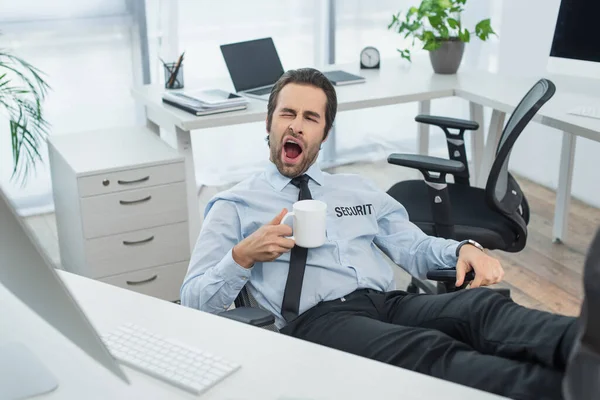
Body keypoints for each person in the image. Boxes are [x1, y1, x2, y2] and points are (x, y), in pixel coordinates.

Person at [181, 68, 599, 400]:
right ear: (269, 122)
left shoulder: (357, 189)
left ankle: (590, 351)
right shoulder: (234, 205)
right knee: (427, 351)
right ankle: (559, 392)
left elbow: (413, 246)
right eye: (287, 113)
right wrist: (242, 256)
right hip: (316, 322)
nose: (296, 126)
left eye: (311, 118)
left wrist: (463, 249)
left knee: (480, 309)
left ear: (323, 134)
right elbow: (193, 300)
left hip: (387, 302)